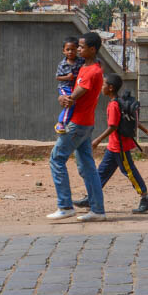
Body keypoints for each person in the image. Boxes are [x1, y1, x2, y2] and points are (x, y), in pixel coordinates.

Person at [75, 74, 148, 214]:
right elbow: (128, 119)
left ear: (111, 88)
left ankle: (146, 199)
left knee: (130, 172)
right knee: (101, 173)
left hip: (120, 147)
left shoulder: (114, 105)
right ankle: (91, 198)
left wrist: (97, 140)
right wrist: (146, 130)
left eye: (103, 85)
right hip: (113, 147)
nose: (102, 87)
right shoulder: (118, 102)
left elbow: (113, 126)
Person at [47, 32, 106, 222]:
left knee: (56, 159)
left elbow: (74, 96)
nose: (78, 49)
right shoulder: (87, 68)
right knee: (88, 167)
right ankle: (97, 210)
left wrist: (64, 98)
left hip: (78, 123)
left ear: (92, 49)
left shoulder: (92, 72)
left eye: (81, 47)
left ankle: (65, 205)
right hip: (85, 123)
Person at [54, 36, 83, 134]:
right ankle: (61, 122)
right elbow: (57, 77)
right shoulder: (62, 64)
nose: (70, 52)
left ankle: (66, 121)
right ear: (63, 51)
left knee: (73, 104)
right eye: (68, 50)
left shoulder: (80, 61)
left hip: (75, 88)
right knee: (69, 102)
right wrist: (67, 77)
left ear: (77, 50)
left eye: (73, 50)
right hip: (64, 87)